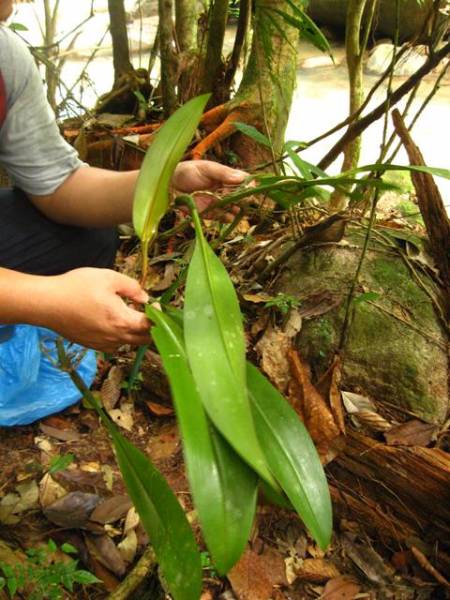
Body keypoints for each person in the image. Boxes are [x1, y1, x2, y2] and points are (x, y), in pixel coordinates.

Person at [0, 0, 246, 356]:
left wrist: (168, 183)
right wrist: (46, 300)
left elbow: (58, 183)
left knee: (87, 238)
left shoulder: (6, 59)